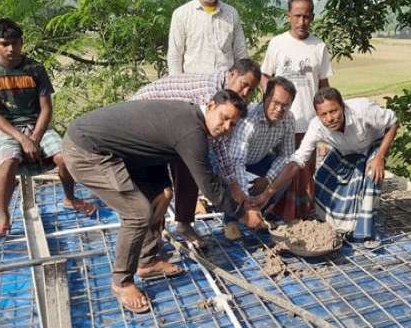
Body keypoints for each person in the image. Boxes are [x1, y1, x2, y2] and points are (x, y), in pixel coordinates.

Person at [62, 90, 267, 314]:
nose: (226, 127)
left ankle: (147, 262)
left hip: (116, 152)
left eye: (233, 124)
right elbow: (209, 187)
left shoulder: (189, 120)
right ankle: (121, 283)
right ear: (209, 106)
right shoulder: (192, 132)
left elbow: (154, 147)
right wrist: (242, 214)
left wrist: (165, 188)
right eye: (224, 118)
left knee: (156, 197)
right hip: (87, 151)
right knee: (138, 213)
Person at [0, 18, 95, 240]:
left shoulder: (35, 69)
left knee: (65, 157)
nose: (11, 48)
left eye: (16, 42)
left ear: (21, 42)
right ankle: (3, 217)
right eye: (4, 43)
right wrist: (22, 139)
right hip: (8, 128)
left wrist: (35, 137)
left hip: (37, 124)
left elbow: (46, 108)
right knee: (8, 164)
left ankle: (70, 197)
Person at [129, 59, 261, 246]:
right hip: (142, 122)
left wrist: (234, 185)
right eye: (244, 85)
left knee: (189, 163)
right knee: (157, 190)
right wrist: (238, 205)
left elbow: (218, 142)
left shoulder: (225, 99)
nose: (246, 93)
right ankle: (150, 247)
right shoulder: (210, 94)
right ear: (232, 75)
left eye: (252, 89)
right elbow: (215, 147)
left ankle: (183, 225)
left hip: (170, 129)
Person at [254, 88, 399, 248]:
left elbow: (393, 123)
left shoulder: (362, 109)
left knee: (372, 175)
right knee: (323, 178)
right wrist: (267, 194)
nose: (330, 118)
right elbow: (296, 163)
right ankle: (341, 222)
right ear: (317, 115)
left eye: (334, 111)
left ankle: (365, 232)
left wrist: (379, 157)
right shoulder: (316, 127)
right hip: (347, 150)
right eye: (323, 115)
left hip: (374, 144)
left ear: (342, 106)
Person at [260, 0, 333, 221]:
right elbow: (264, 75)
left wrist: (325, 118)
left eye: (307, 16)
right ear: (288, 16)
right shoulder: (277, 43)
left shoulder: (318, 46)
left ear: (312, 17)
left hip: (308, 122)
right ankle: (274, 211)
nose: (302, 22)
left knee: (304, 171)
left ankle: (301, 214)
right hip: (281, 123)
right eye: (298, 16)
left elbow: (324, 85)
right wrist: (271, 103)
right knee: (280, 168)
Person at [221, 77, 297, 240]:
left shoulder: (289, 120)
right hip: (232, 161)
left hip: (258, 160)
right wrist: (245, 198)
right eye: (275, 103)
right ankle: (231, 220)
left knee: (285, 176)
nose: (279, 109)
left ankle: (258, 212)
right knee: (231, 179)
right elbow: (236, 161)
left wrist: (268, 179)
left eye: (285, 105)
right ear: (265, 98)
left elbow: (286, 155)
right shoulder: (248, 119)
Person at [167, 0, 247, 75]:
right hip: (192, 87)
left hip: (224, 87)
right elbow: (175, 57)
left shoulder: (231, 13)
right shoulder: (181, 14)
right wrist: (177, 87)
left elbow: (240, 55)